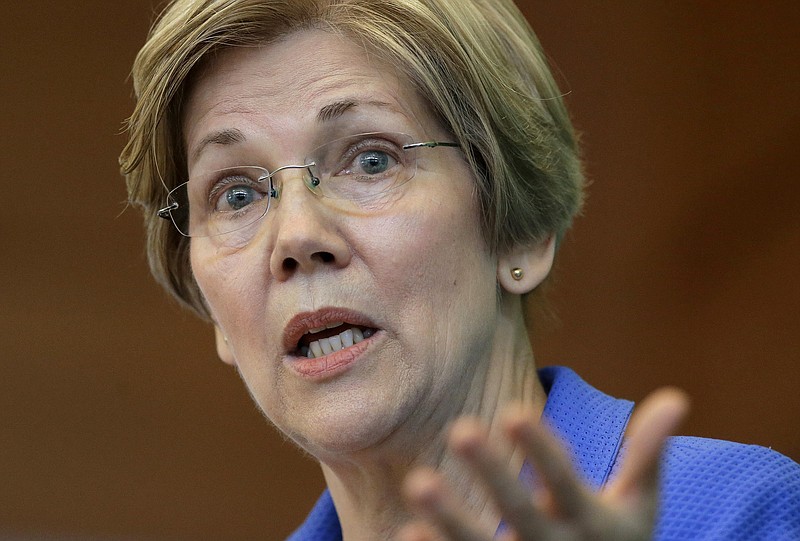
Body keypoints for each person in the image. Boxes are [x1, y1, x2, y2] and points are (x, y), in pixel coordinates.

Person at [119, 0, 800, 539]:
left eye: (371, 159)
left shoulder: (739, 513)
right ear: (212, 309)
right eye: (236, 194)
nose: (296, 236)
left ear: (522, 230)